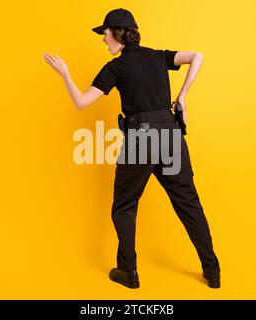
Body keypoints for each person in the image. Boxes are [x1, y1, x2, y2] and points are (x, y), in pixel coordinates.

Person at [43, 8, 221, 289]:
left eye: (104, 33)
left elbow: (80, 102)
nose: (103, 40)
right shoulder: (157, 56)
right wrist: (182, 96)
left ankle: (128, 271)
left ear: (116, 33)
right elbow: (197, 56)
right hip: (171, 134)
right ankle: (212, 271)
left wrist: (64, 73)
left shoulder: (115, 68)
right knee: (189, 203)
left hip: (142, 137)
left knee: (125, 206)